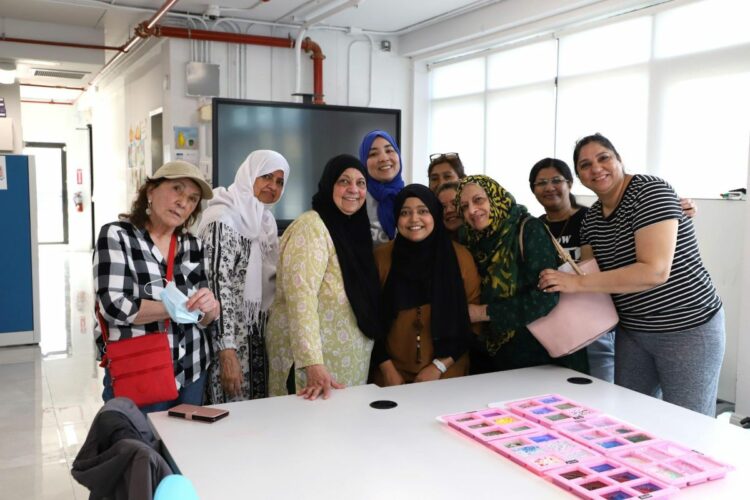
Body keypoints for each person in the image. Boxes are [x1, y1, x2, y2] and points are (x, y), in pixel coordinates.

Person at [538, 134, 724, 416]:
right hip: (633, 331)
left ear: (619, 160)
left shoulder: (650, 191)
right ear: (579, 176)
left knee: (689, 422)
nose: (596, 168)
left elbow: (654, 271)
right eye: (585, 164)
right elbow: (595, 278)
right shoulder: (591, 220)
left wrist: (576, 282)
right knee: (632, 419)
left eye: (604, 158)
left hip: (686, 326)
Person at [93, 161, 220, 413]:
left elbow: (205, 318)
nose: (183, 202)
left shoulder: (192, 244)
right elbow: (114, 306)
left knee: (183, 449)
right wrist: (179, 308)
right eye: (177, 189)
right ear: (150, 191)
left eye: (192, 199)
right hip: (140, 369)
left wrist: (210, 308)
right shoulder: (118, 236)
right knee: (139, 448)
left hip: (192, 368)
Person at [266, 154, 383, 400]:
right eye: (344, 181)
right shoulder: (312, 227)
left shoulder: (355, 230)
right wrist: (312, 363)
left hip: (347, 365)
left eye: (361, 183)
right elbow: (301, 298)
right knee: (307, 436)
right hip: (312, 370)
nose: (354, 189)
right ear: (329, 185)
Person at [456, 175, 588, 375]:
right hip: (497, 358)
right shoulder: (469, 239)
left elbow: (545, 297)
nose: (472, 211)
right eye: (464, 206)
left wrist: (483, 312)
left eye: (478, 200)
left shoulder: (527, 229)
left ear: (495, 197)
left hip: (545, 356)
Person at [198, 150, 290, 403]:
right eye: (266, 177)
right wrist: (227, 352)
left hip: (257, 339)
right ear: (249, 175)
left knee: (256, 425)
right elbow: (218, 287)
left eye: (280, 181)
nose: (272, 186)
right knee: (228, 422)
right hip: (228, 344)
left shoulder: (265, 222)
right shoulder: (223, 219)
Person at [372, 184, 481, 386]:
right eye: (405, 213)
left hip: (448, 373)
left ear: (435, 215)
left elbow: (473, 325)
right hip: (391, 376)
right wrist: (387, 369)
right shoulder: (381, 258)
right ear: (396, 217)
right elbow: (368, 318)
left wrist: (439, 366)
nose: (414, 219)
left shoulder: (460, 258)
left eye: (423, 211)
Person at [528, 158, 615, 382]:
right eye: (541, 183)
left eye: (556, 180)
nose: (549, 187)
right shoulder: (534, 227)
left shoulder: (590, 217)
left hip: (594, 316)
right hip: (557, 321)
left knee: (601, 386)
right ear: (533, 190)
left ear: (569, 183)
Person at [358, 130, 405, 246]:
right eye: (373, 154)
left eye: (389, 150)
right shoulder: (356, 200)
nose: (384, 158)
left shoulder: (413, 197)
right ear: (364, 162)